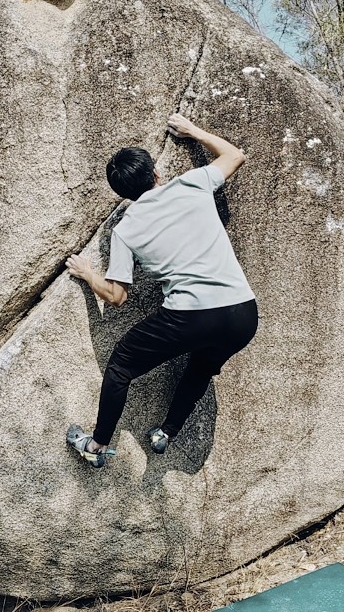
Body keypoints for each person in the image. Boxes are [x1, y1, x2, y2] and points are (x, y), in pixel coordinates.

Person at [64, 113, 258, 468]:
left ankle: (97, 446)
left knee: (121, 365)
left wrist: (88, 274)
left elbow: (116, 296)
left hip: (192, 316)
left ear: (121, 195)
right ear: (156, 174)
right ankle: (166, 432)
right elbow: (235, 156)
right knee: (201, 367)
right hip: (243, 313)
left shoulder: (127, 229)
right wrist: (193, 131)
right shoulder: (191, 184)